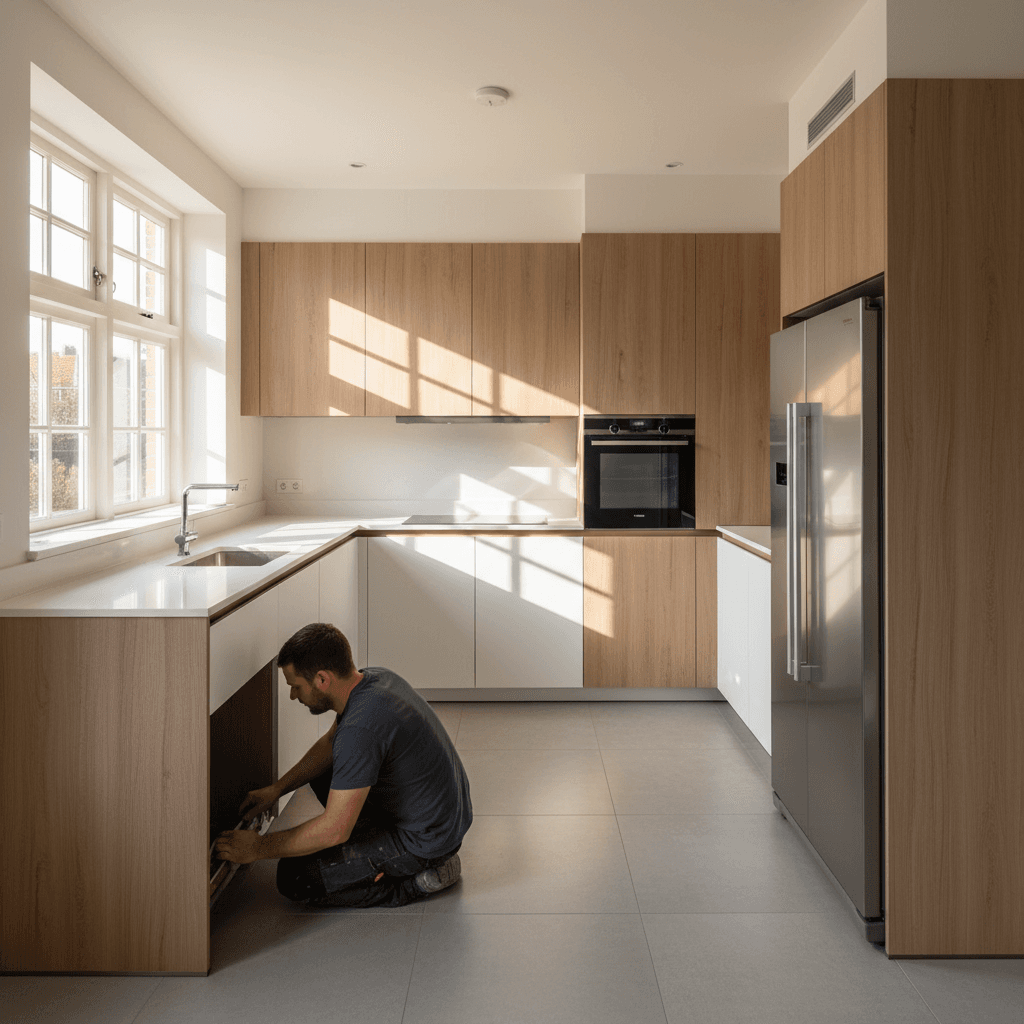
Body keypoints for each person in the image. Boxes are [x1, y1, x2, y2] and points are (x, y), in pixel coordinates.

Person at [214, 622, 472, 908]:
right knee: (324, 771)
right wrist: (276, 789)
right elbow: (328, 746)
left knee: (294, 877)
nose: (292, 696)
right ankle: (370, 846)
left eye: (296, 686)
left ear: (322, 679)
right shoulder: (372, 679)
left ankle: (418, 882)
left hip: (425, 842)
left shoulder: (360, 730)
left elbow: (335, 830)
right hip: (440, 818)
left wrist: (259, 848)